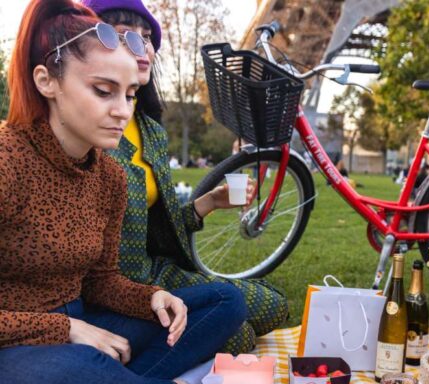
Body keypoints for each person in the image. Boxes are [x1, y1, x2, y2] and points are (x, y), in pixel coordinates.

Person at [0, 1, 247, 384]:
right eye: (103, 91)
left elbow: (101, 281)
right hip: (13, 345)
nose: (121, 111)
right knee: (80, 370)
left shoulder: (110, 176)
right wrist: (66, 331)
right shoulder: (7, 159)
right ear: (47, 81)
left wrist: (154, 297)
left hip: (85, 322)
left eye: (130, 94)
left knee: (224, 301)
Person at [81, 0, 289, 354]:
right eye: (123, 35)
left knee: (274, 305)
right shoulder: (88, 129)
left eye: (147, 38)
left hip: (157, 274)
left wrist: (210, 202)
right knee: (239, 336)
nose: (142, 47)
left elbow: (154, 227)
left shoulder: (150, 131)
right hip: (114, 292)